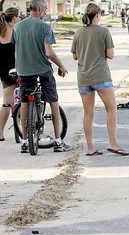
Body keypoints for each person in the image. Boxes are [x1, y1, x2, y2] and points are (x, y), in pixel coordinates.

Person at [11, 0, 70, 153]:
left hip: (23, 71)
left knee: (24, 102)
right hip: (43, 70)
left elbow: (16, 51)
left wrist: (19, 66)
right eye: (44, 9)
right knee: (53, 101)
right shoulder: (45, 27)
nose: (45, 11)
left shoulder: (17, 27)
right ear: (38, 9)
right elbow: (49, 52)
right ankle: (58, 141)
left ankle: (24, 141)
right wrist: (61, 66)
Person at [71, 3, 128, 157]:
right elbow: (110, 54)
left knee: (88, 114)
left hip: (83, 77)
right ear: (97, 15)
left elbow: (75, 56)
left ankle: (90, 148)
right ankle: (112, 143)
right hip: (100, 76)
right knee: (111, 109)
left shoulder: (78, 33)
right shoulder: (103, 31)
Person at [0, 6, 20, 141]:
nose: (19, 19)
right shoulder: (14, 32)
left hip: (2, 71)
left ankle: (0, 133)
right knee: (16, 101)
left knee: (7, 102)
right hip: (14, 70)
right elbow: (18, 54)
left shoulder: (0, 32)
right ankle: (21, 132)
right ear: (13, 18)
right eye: (18, 17)